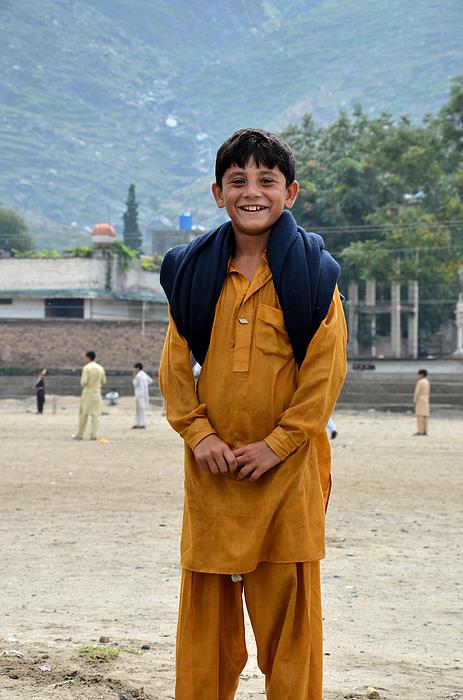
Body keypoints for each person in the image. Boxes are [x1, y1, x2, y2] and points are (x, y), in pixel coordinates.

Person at [159, 128, 347, 699]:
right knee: (205, 631)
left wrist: (279, 444)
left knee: (290, 629)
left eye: (266, 180)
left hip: (286, 479)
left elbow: (324, 374)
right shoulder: (194, 273)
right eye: (238, 180)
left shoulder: (314, 276)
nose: (252, 191)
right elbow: (174, 365)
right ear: (218, 192)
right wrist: (199, 435)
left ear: (290, 192)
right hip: (213, 475)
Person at [72, 351, 107, 441]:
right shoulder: (100, 368)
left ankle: (80, 434)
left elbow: (83, 382)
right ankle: (93, 435)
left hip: (87, 393)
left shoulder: (86, 368)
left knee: (83, 414)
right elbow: (104, 381)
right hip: (97, 393)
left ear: (88, 358)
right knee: (95, 415)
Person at [132, 362, 153, 429]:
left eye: (135, 368)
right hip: (144, 394)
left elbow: (135, 384)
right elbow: (150, 381)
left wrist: (134, 377)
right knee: (141, 409)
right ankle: (140, 423)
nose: (134, 370)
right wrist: (145, 385)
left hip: (139, 395)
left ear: (138, 368)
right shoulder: (144, 374)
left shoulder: (138, 376)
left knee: (139, 409)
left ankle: (141, 424)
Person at [413, 368, 430, 436]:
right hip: (426, 399)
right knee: (425, 416)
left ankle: (421, 430)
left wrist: (415, 400)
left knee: (420, 416)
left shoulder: (420, 382)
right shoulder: (427, 382)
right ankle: (425, 430)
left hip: (420, 399)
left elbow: (417, 392)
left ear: (422, 375)